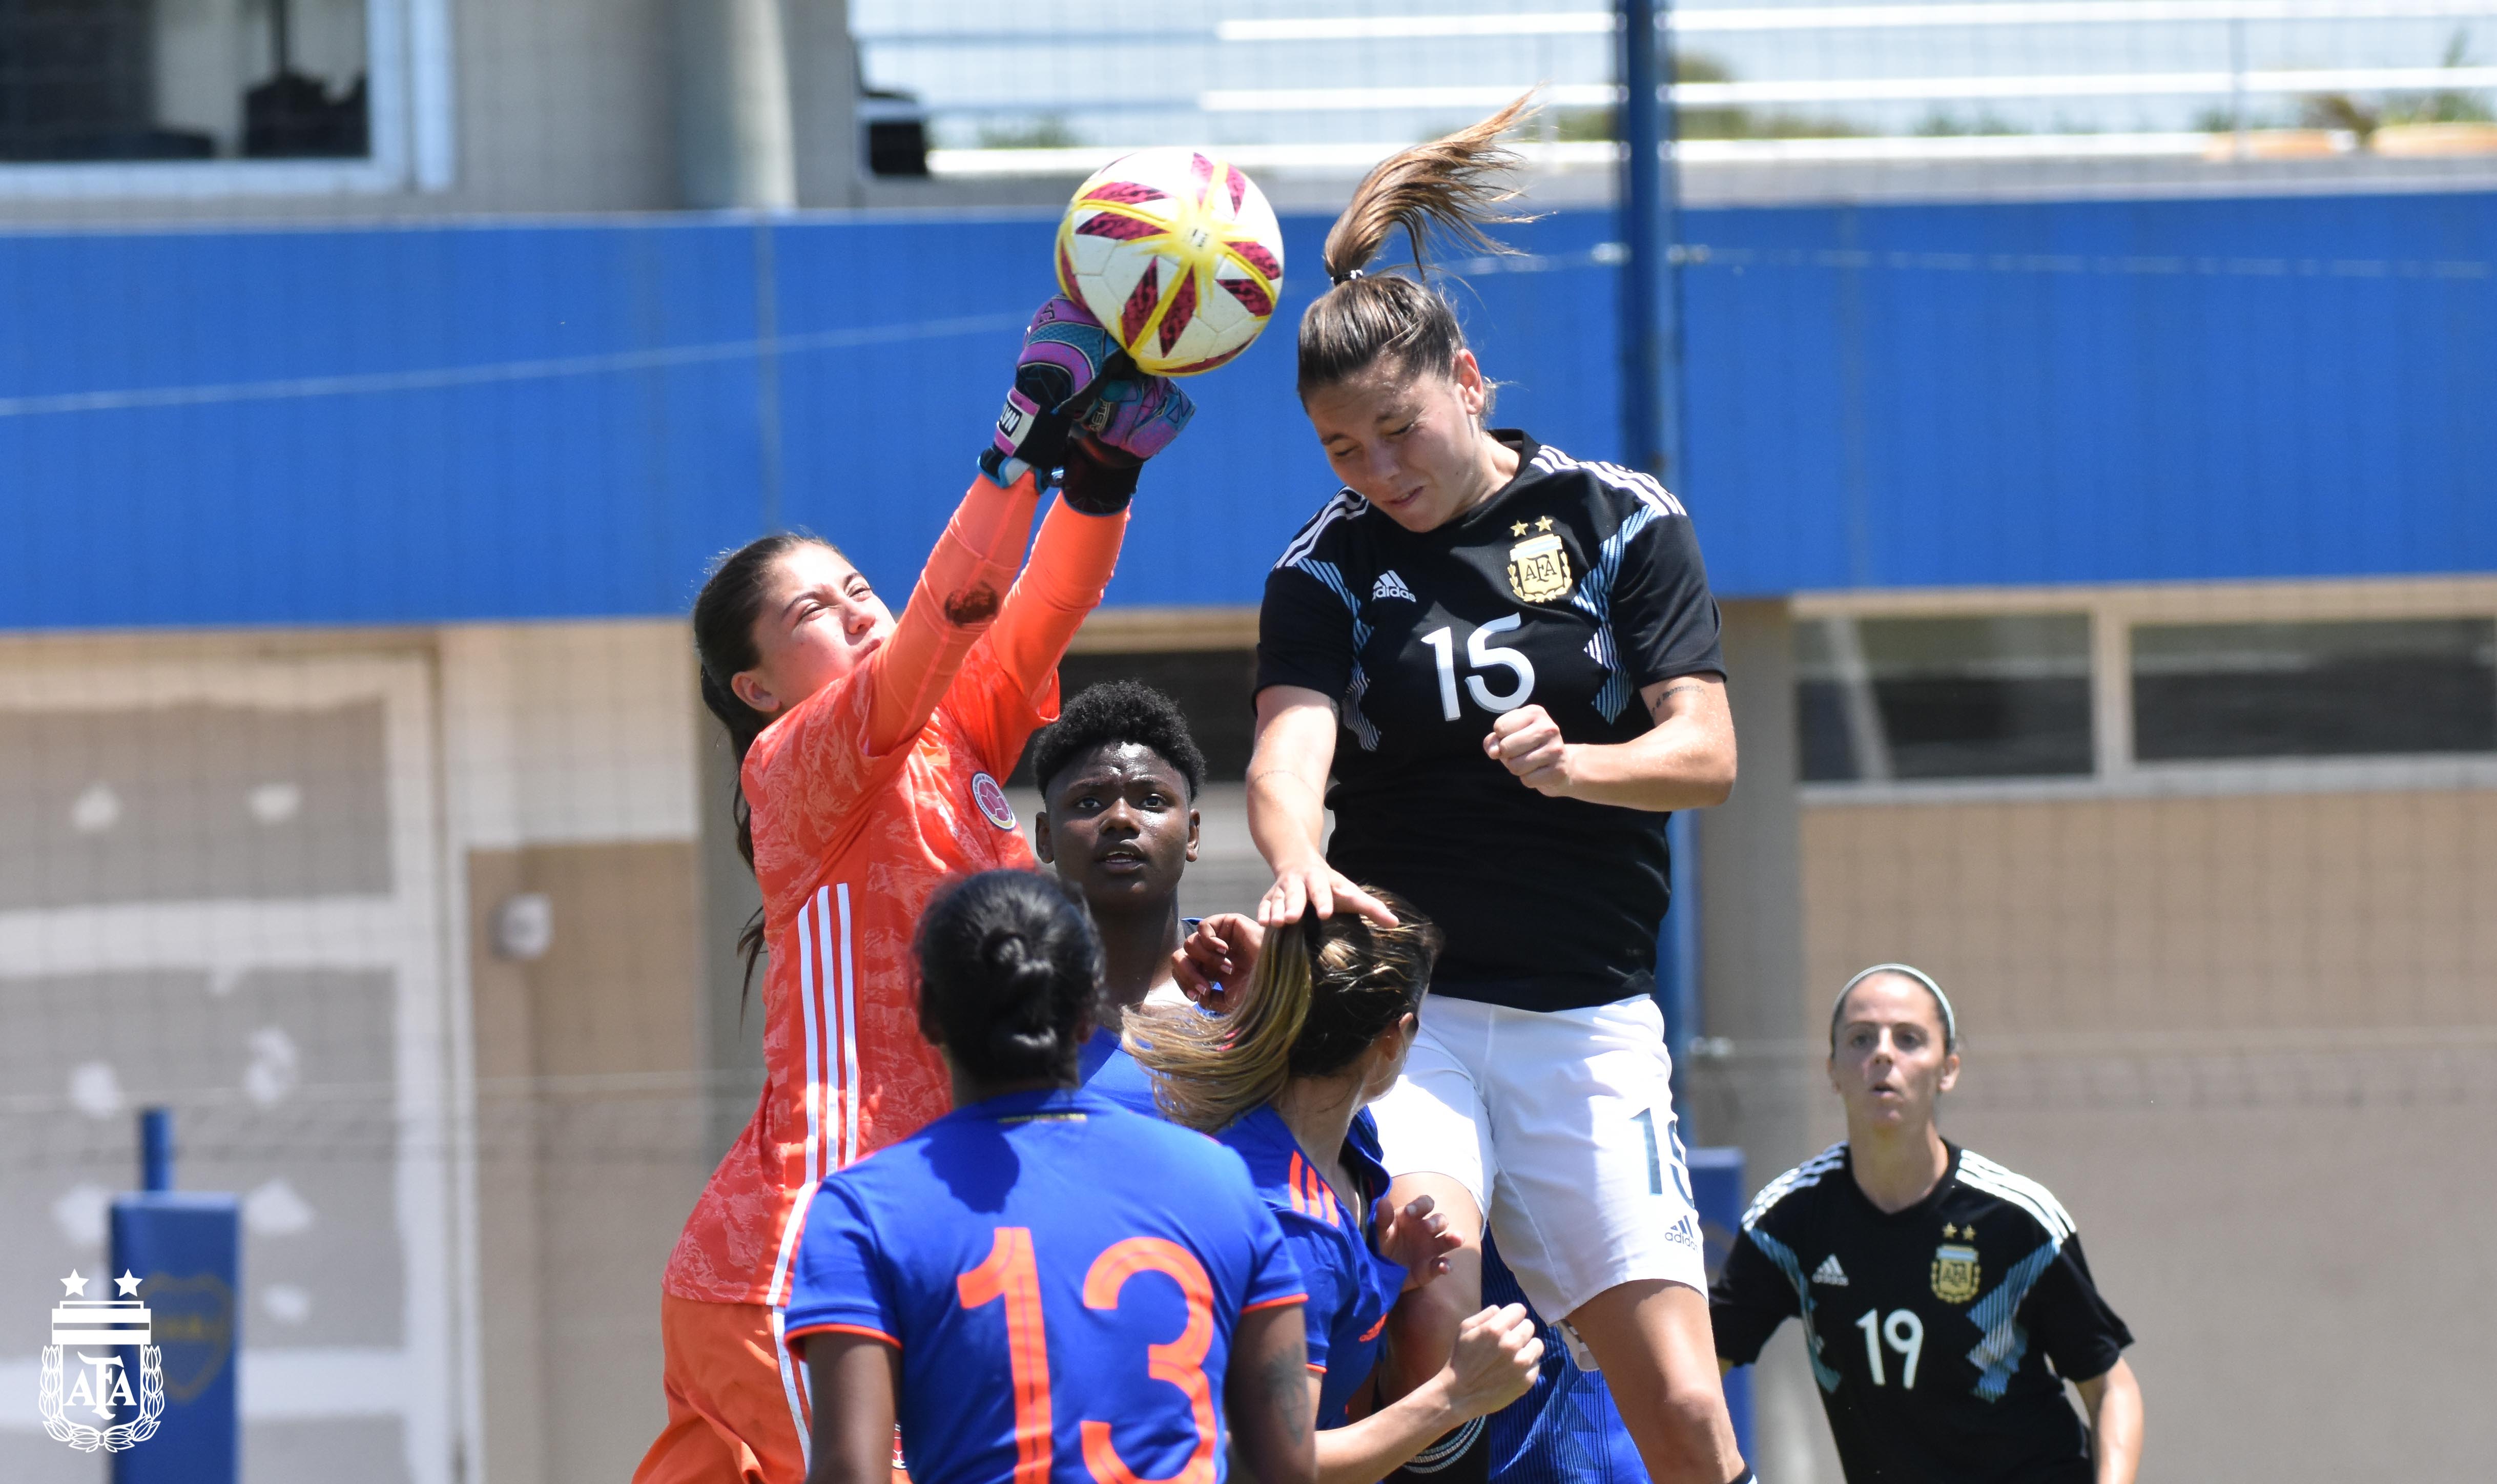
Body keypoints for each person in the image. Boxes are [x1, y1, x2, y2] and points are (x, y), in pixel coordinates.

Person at [1243, 97, 1749, 1483]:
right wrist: (1293, 856)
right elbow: (1288, 753)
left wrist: (1579, 766)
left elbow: (1704, 756)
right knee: (1437, 1333)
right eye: (1344, 449)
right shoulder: (1326, 568)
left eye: (1398, 431)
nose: (1379, 472)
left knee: (1690, 1419)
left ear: (1468, 377)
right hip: (1418, 1024)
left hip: (1588, 1019)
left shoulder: (1616, 519)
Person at [636, 297, 1193, 1484]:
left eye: (852, 584)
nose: (852, 606)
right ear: (755, 682)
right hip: (797, 1257)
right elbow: (955, 604)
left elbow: (1036, 613)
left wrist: (1097, 477)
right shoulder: (793, 763)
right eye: (810, 612)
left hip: (910, 1235)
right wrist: (1018, 441)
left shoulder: (944, 738)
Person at [783, 869, 1314, 1484]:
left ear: (927, 1012)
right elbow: (1287, 1465)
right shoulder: (1218, 1180)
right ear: (1090, 1009)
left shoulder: (862, 1209)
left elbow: (851, 1472)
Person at [1130, 893, 1549, 1481]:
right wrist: (1458, 1393)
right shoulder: (1293, 1228)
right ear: (1393, 1040)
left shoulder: (1346, 1140)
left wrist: (1386, 1269)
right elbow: (1272, 1464)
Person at [1711, 965, 2144, 1484]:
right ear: (1832, 1069)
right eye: (1860, 1038)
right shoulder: (1788, 1220)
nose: (1883, 1053)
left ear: (1948, 1068)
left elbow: (2111, 1387)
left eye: (1909, 1039)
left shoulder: (2017, 1221)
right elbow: (1697, 1376)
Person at [1026, 678, 1207, 1113]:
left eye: (1151, 800)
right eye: (1089, 803)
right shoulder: (1004, 1010)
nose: (1121, 820)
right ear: (1045, 837)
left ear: (1192, 834)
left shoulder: (1258, 989)